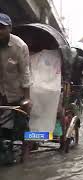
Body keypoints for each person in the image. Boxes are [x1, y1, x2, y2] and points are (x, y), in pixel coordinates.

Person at [0, 13, 32, 162]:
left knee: (21, 126)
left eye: (2, 28)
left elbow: (25, 74)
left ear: (9, 28)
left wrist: (27, 99)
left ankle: (25, 150)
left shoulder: (20, 46)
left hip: (17, 92)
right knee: (3, 128)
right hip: (2, 92)